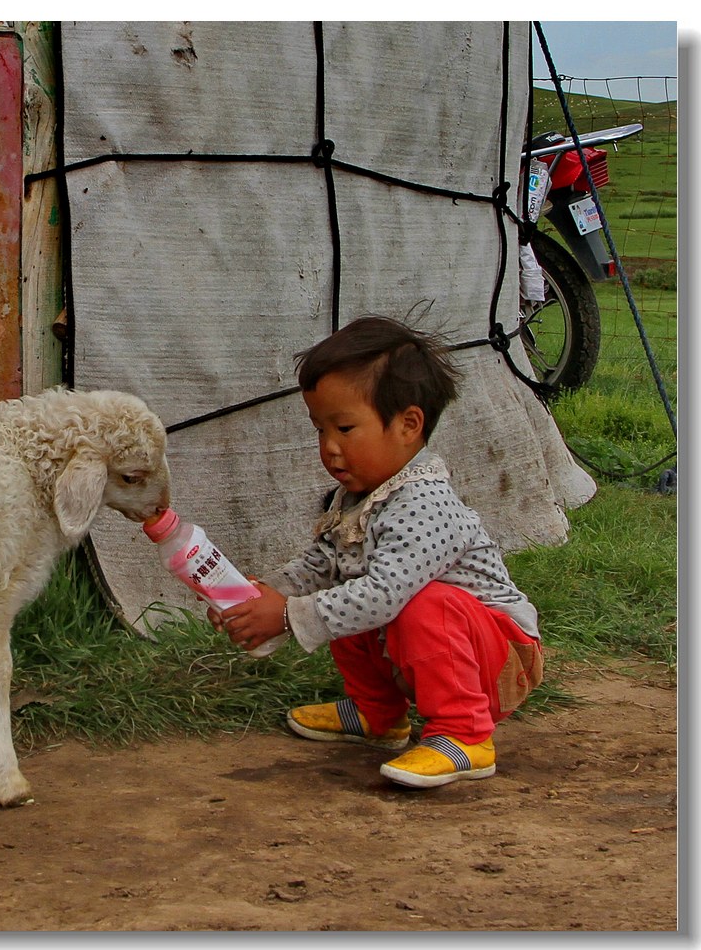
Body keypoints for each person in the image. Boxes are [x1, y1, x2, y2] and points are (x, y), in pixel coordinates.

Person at [210, 315, 543, 788]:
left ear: (409, 424)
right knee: (347, 584)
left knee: (413, 602)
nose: (329, 448)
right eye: (319, 430)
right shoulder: (364, 497)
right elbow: (319, 566)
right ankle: (378, 716)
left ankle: (466, 735)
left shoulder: (424, 503)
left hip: (498, 659)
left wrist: (287, 616)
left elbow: (385, 594)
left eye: (345, 428)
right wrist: (259, 596)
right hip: (433, 650)